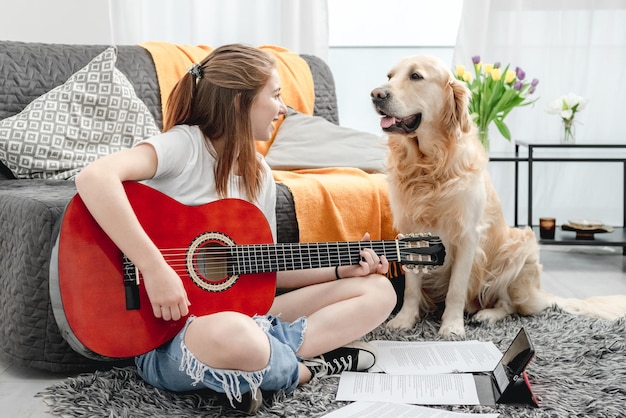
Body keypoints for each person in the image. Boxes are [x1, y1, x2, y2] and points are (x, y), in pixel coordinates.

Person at [74, 43, 397, 415]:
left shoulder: (259, 175)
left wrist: (341, 269)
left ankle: (256, 365)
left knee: (378, 290)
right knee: (235, 335)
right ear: (239, 103)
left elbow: (265, 270)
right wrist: (154, 267)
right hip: (173, 336)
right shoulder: (185, 145)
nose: (282, 108)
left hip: (247, 316)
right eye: (275, 96)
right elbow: (95, 176)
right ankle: (301, 369)